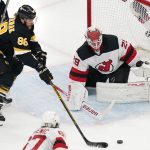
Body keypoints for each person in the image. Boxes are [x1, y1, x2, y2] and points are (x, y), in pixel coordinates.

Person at [67, 27, 146, 111]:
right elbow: (76, 77)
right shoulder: (81, 53)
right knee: (88, 87)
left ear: (101, 37)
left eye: (98, 41)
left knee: (117, 92)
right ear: (87, 40)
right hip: (99, 71)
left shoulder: (115, 42)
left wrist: (140, 66)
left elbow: (131, 54)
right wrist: (75, 92)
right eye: (93, 43)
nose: (96, 45)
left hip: (118, 68)